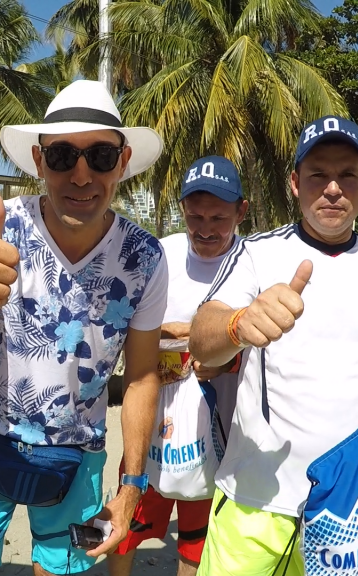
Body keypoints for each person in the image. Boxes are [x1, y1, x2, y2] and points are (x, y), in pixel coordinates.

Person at [0, 79, 169, 576]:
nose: (80, 174)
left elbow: (140, 377)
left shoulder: (145, 258)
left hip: (78, 455)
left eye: (98, 156)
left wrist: (133, 482)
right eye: (62, 155)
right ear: (38, 159)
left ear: (122, 160)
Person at [189, 116, 358, 575]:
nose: (333, 188)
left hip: (354, 513)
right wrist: (239, 324)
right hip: (256, 505)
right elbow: (203, 339)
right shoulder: (256, 254)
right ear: (295, 183)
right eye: (319, 174)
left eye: (348, 175)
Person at [108, 155, 246, 576]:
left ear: (241, 210)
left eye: (218, 218)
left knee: (196, 539)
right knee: (125, 520)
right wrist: (171, 338)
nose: (205, 229)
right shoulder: (160, 253)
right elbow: (126, 324)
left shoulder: (252, 262)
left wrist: (224, 353)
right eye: (195, 216)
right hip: (154, 419)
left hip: (220, 428)